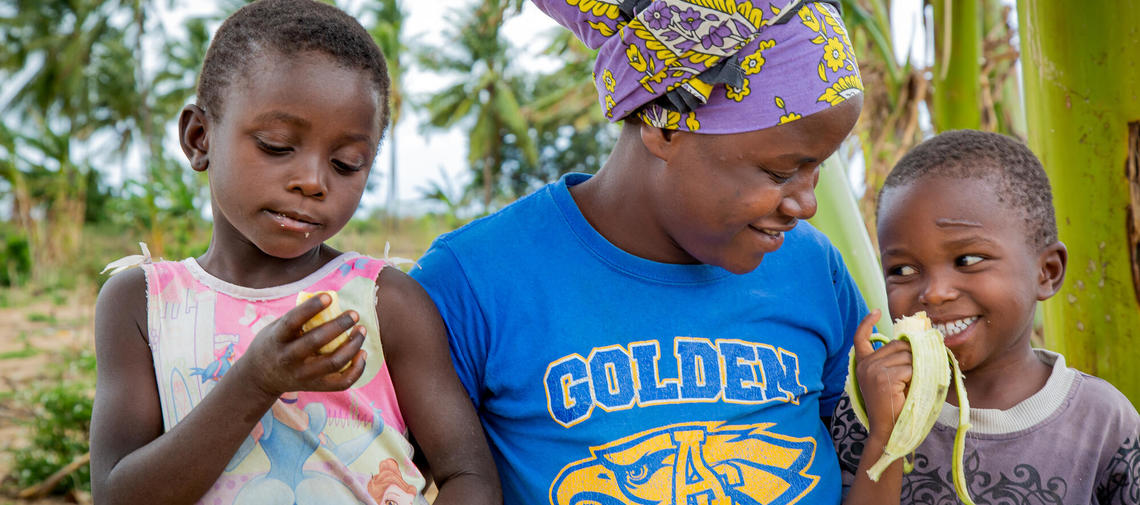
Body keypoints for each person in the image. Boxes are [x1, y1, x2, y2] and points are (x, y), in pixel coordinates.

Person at [411, 0, 909, 503]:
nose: (807, 203)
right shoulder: (472, 283)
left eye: (818, 167)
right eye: (781, 173)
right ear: (667, 126)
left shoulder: (812, 269)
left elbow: (856, 462)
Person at [89, 1, 501, 504]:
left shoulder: (382, 302)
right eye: (277, 145)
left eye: (347, 164)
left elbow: (468, 476)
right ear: (200, 138)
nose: (312, 181)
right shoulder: (143, 303)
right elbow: (117, 495)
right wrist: (255, 382)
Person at [831, 129, 1140, 503]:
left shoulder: (1103, 421)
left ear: (1047, 272)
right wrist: (889, 432)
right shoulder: (869, 405)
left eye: (968, 260)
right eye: (903, 271)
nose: (934, 291)